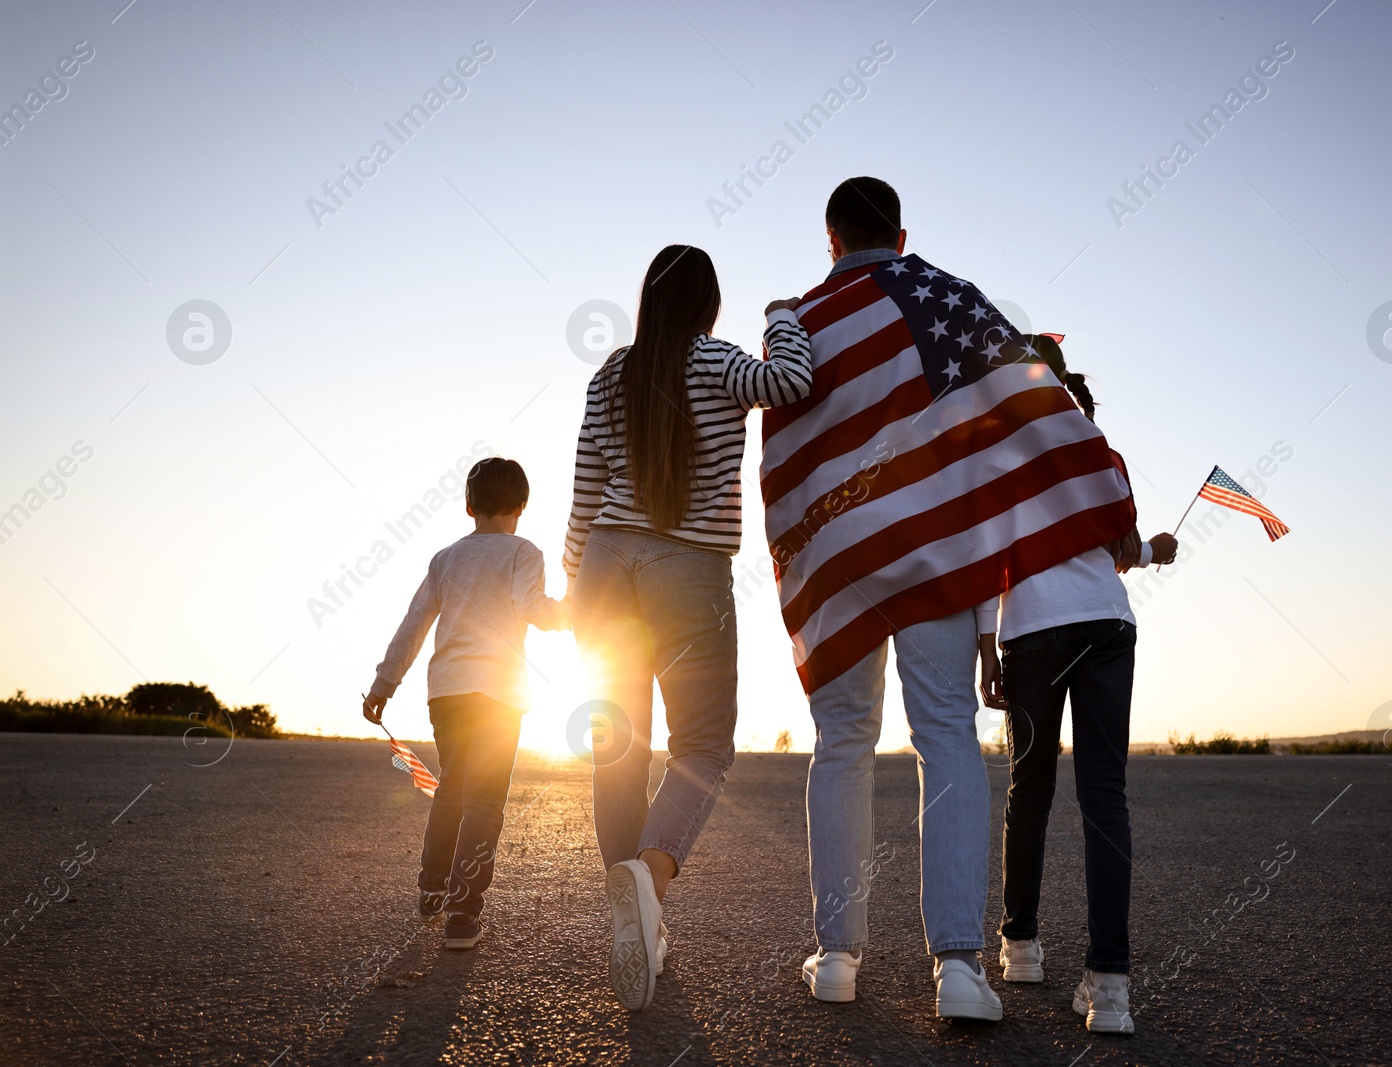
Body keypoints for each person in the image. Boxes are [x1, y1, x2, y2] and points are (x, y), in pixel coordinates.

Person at [759, 179, 1137, 1022]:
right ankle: (960, 968)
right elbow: (1019, 396)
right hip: (931, 561)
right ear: (900, 233)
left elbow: (787, 449)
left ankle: (836, 957)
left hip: (842, 563)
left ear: (830, 240)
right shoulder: (941, 296)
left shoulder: (799, 322)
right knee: (945, 739)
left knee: (842, 744)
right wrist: (1093, 479)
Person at [563, 244, 811, 1011]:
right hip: (687, 567)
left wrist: (574, 580)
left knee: (619, 748)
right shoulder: (718, 360)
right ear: (708, 303)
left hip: (605, 564)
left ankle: (637, 916)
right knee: (701, 745)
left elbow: (585, 487)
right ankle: (651, 873)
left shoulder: (611, 372)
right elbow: (793, 381)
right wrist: (780, 317)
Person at [977, 334, 1177, 1035]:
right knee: (1104, 797)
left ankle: (1020, 944)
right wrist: (1154, 550)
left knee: (1029, 786)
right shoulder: (1101, 450)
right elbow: (1120, 547)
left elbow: (986, 557)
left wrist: (984, 646)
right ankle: (1112, 984)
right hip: (1106, 627)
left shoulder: (1000, 452)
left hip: (1034, 631)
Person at [362, 457, 566, 951]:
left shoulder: (446, 558)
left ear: (469, 506)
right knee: (485, 800)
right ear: (522, 505)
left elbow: (413, 626)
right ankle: (462, 914)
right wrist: (582, 613)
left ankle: (432, 887)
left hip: (448, 693)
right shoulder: (524, 552)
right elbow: (533, 608)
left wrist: (383, 684)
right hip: (500, 694)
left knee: (453, 789)